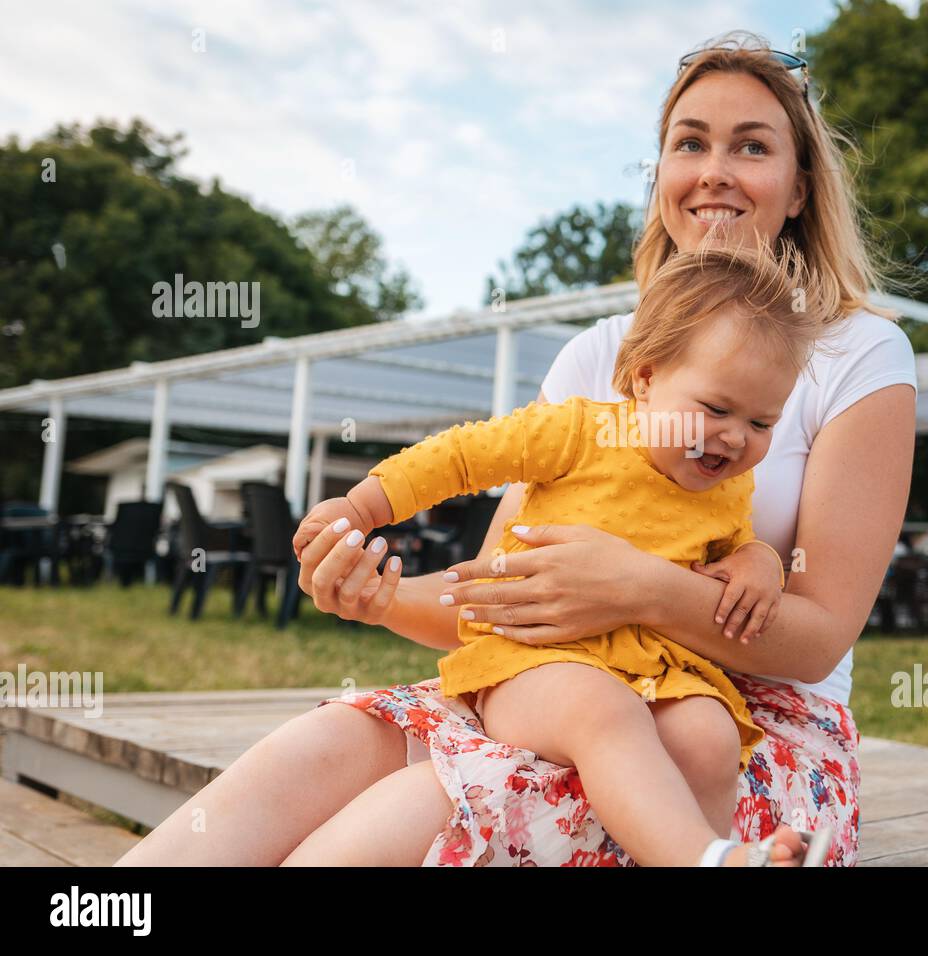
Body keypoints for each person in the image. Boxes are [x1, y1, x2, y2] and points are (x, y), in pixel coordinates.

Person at [115, 31, 917, 869]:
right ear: (662, 179)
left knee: (395, 822)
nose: (714, 169)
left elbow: (818, 632)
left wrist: (637, 588)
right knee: (320, 746)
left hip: (741, 718)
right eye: (690, 143)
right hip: (555, 676)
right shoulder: (598, 356)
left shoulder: (857, 352)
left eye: (751, 145)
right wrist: (377, 596)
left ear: (799, 188)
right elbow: (504, 591)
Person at [293, 239, 831, 866]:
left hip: (652, 672)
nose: (736, 437)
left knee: (708, 733)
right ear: (647, 377)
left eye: (763, 423)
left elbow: (731, 548)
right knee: (600, 711)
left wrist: (758, 561)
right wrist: (364, 508)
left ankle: (707, 855)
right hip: (533, 666)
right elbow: (463, 457)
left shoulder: (726, 485)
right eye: (715, 409)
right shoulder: (580, 431)